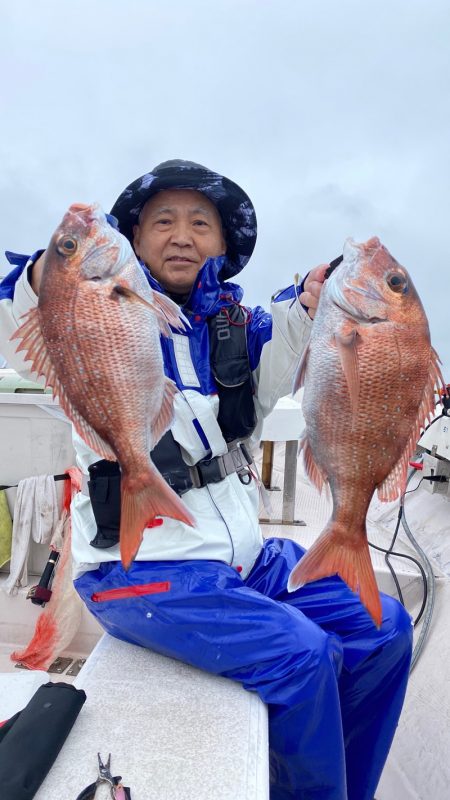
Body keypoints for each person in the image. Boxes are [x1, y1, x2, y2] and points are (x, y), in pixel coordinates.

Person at [0, 160, 412, 800]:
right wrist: (51, 270)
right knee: (304, 657)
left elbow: (284, 370)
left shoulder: (235, 331)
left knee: (384, 627)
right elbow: (17, 317)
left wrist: (307, 305)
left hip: (244, 561)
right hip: (138, 570)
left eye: (201, 223)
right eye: (163, 221)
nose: (183, 235)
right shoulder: (81, 309)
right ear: (131, 239)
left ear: (225, 245)